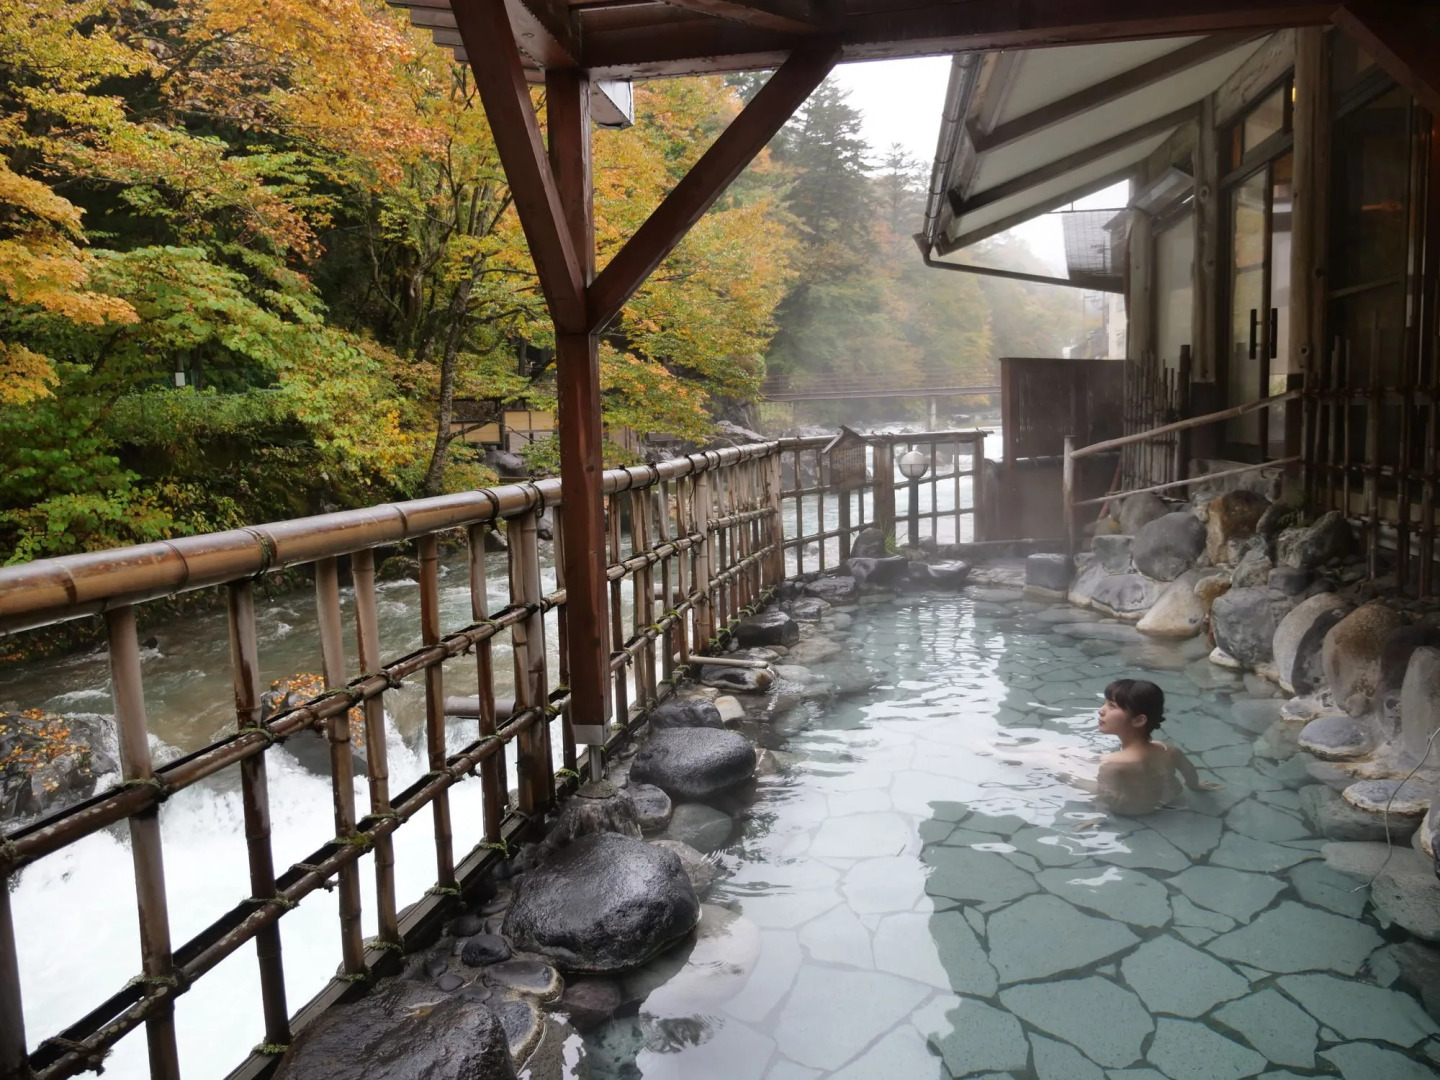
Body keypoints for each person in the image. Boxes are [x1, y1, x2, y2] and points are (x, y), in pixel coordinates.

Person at [1090, 678, 1217, 815]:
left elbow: (1107, 797)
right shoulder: (1167, 749)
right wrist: (1195, 786)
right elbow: (1188, 770)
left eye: (1112, 706)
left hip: (1133, 810)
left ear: (1139, 720)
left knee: (1068, 767)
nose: (1101, 710)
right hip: (1170, 798)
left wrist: (1096, 817)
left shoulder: (1112, 763)